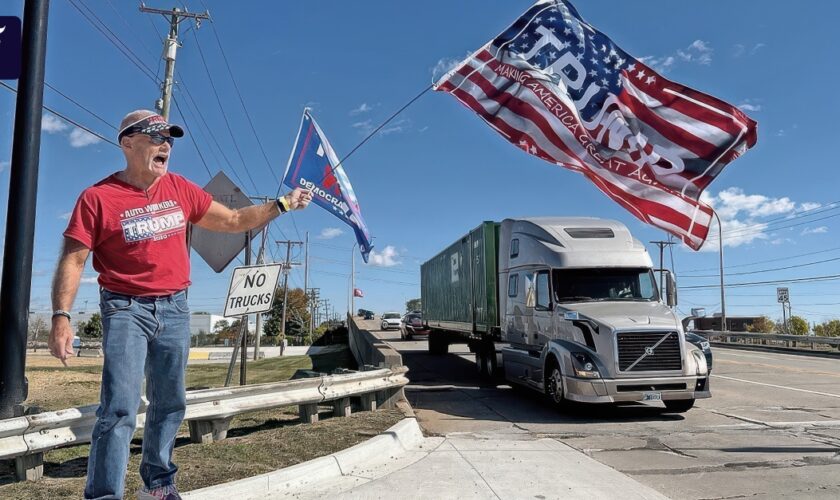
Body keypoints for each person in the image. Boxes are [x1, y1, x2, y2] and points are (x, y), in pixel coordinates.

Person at [47, 110, 313, 500]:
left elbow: (235, 219)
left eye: (170, 138)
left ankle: (157, 486)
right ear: (127, 143)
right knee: (119, 407)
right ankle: (104, 494)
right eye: (156, 136)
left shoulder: (181, 189)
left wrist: (283, 205)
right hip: (125, 309)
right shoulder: (97, 198)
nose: (166, 144)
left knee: (170, 402)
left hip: (174, 308)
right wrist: (61, 317)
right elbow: (73, 259)